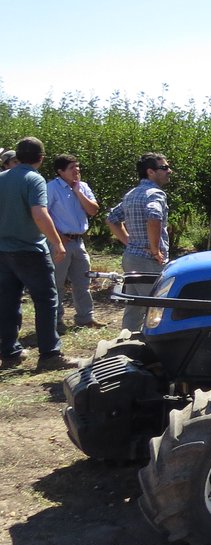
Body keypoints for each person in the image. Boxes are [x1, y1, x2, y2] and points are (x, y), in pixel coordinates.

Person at [0, 137, 82, 371]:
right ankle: (49, 355)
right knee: (46, 300)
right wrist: (56, 242)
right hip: (30, 250)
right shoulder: (34, 179)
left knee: (7, 301)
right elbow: (39, 214)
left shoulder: (2, 178)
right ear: (41, 158)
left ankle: (9, 351)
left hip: (3, 251)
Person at [106, 153, 172, 331]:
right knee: (156, 307)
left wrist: (129, 242)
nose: (169, 171)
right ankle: (151, 348)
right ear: (151, 172)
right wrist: (155, 249)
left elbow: (111, 218)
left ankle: (126, 343)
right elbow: (154, 216)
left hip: (132, 257)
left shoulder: (132, 194)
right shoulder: (155, 193)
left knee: (134, 307)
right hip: (148, 261)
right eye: (164, 168)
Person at [47, 154, 106, 332]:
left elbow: (93, 210)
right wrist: (57, 236)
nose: (77, 170)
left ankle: (85, 318)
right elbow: (43, 214)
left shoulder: (83, 187)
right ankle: (55, 322)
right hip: (60, 242)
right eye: (72, 168)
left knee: (82, 281)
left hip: (78, 242)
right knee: (56, 283)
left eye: (78, 167)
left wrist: (78, 191)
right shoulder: (51, 188)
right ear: (60, 171)